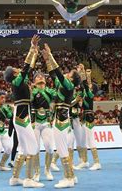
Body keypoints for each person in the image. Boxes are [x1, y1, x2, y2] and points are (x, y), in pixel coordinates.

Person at [3, 34, 44, 188]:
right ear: (14, 74)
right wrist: (31, 49)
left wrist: (34, 51)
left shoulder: (18, 81)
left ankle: (14, 178)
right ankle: (28, 179)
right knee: (32, 147)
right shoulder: (17, 80)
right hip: (22, 117)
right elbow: (26, 68)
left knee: (23, 148)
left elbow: (29, 68)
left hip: (20, 115)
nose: (18, 68)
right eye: (15, 69)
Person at [41, 43, 81, 188]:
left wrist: (51, 55)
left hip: (61, 120)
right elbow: (53, 74)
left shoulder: (69, 86)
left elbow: (57, 72)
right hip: (62, 118)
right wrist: (47, 60)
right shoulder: (64, 84)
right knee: (63, 148)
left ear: (71, 79)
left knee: (62, 149)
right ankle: (72, 176)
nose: (66, 73)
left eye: (69, 73)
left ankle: (68, 178)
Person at [30, 72, 56, 181]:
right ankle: (37, 172)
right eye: (38, 77)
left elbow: (56, 99)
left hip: (46, 122)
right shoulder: (33, 91)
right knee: (35, 149)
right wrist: (32, 90)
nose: (40, 78)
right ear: (34, 80)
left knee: (50, 148)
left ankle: (47, 169)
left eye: (42, 77)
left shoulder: (50, 91)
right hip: (35, 122)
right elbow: (30, 103)